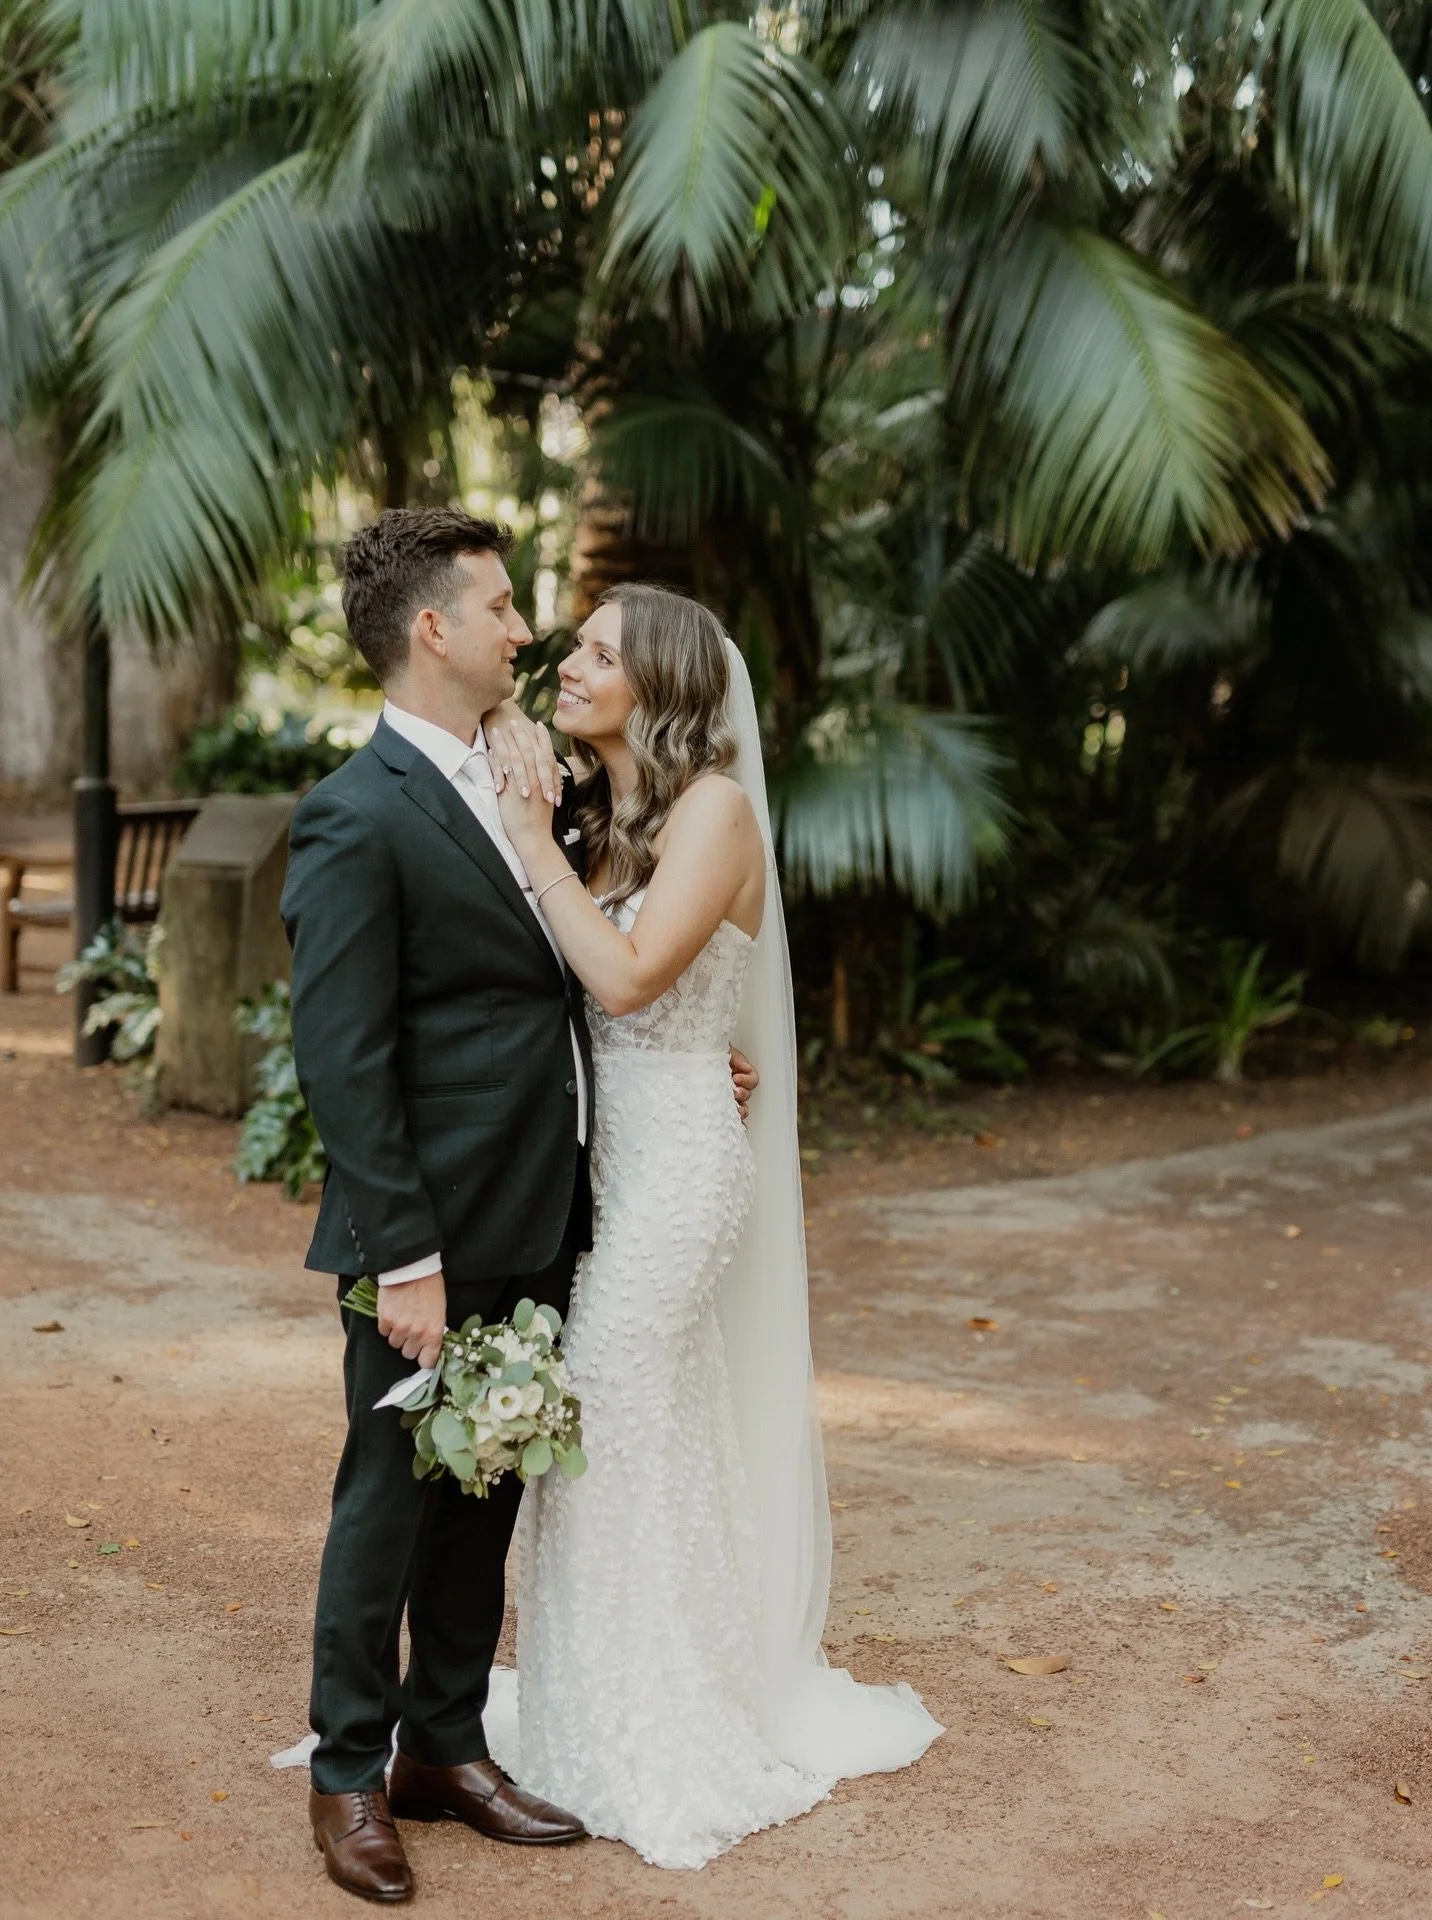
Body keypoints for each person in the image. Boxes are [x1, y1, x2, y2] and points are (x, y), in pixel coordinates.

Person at [278, 512, 757, 1901]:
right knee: (387, 1499)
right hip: (428, 1229)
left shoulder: (532, 781)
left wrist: (683, 1067)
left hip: (554, 1208)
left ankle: (447, 1745)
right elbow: (344, 1061)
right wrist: (404, 1254)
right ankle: (348, 1775)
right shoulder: (355, 812)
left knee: (485, 1488)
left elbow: (581, 973)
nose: (525, 631)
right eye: (501, 607)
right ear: (434, 628)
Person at [482, 582, 943, 1870]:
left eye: (598, 652)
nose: (569, 664)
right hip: (603, 1161)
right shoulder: (601, 818)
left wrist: (526, 836)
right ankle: (592, 1703)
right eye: (575, 646)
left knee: (599, 1407)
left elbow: (631, 980)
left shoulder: (715, 812)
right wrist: (537, 807)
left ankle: (652, 1727)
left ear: (665, 685)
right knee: (639, 1430)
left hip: (679, 1170)